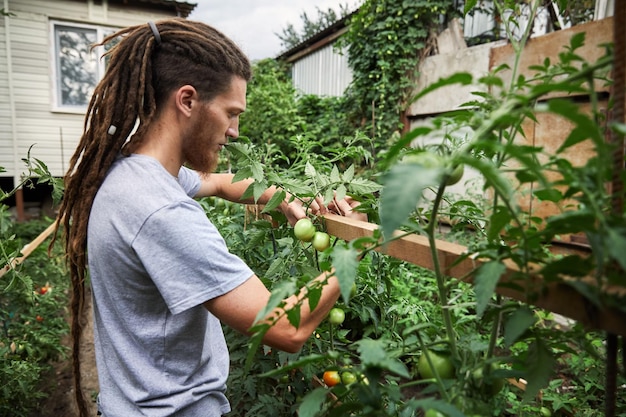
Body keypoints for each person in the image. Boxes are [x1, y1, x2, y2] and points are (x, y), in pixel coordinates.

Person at [52, 18, 364, 417]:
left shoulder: (131, 173)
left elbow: (217, 182)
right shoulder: (162, 211)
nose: (235, 131)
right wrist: (359, 246)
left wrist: (281, 198)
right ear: (187, 100)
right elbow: (286, 327)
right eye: (230, 112)